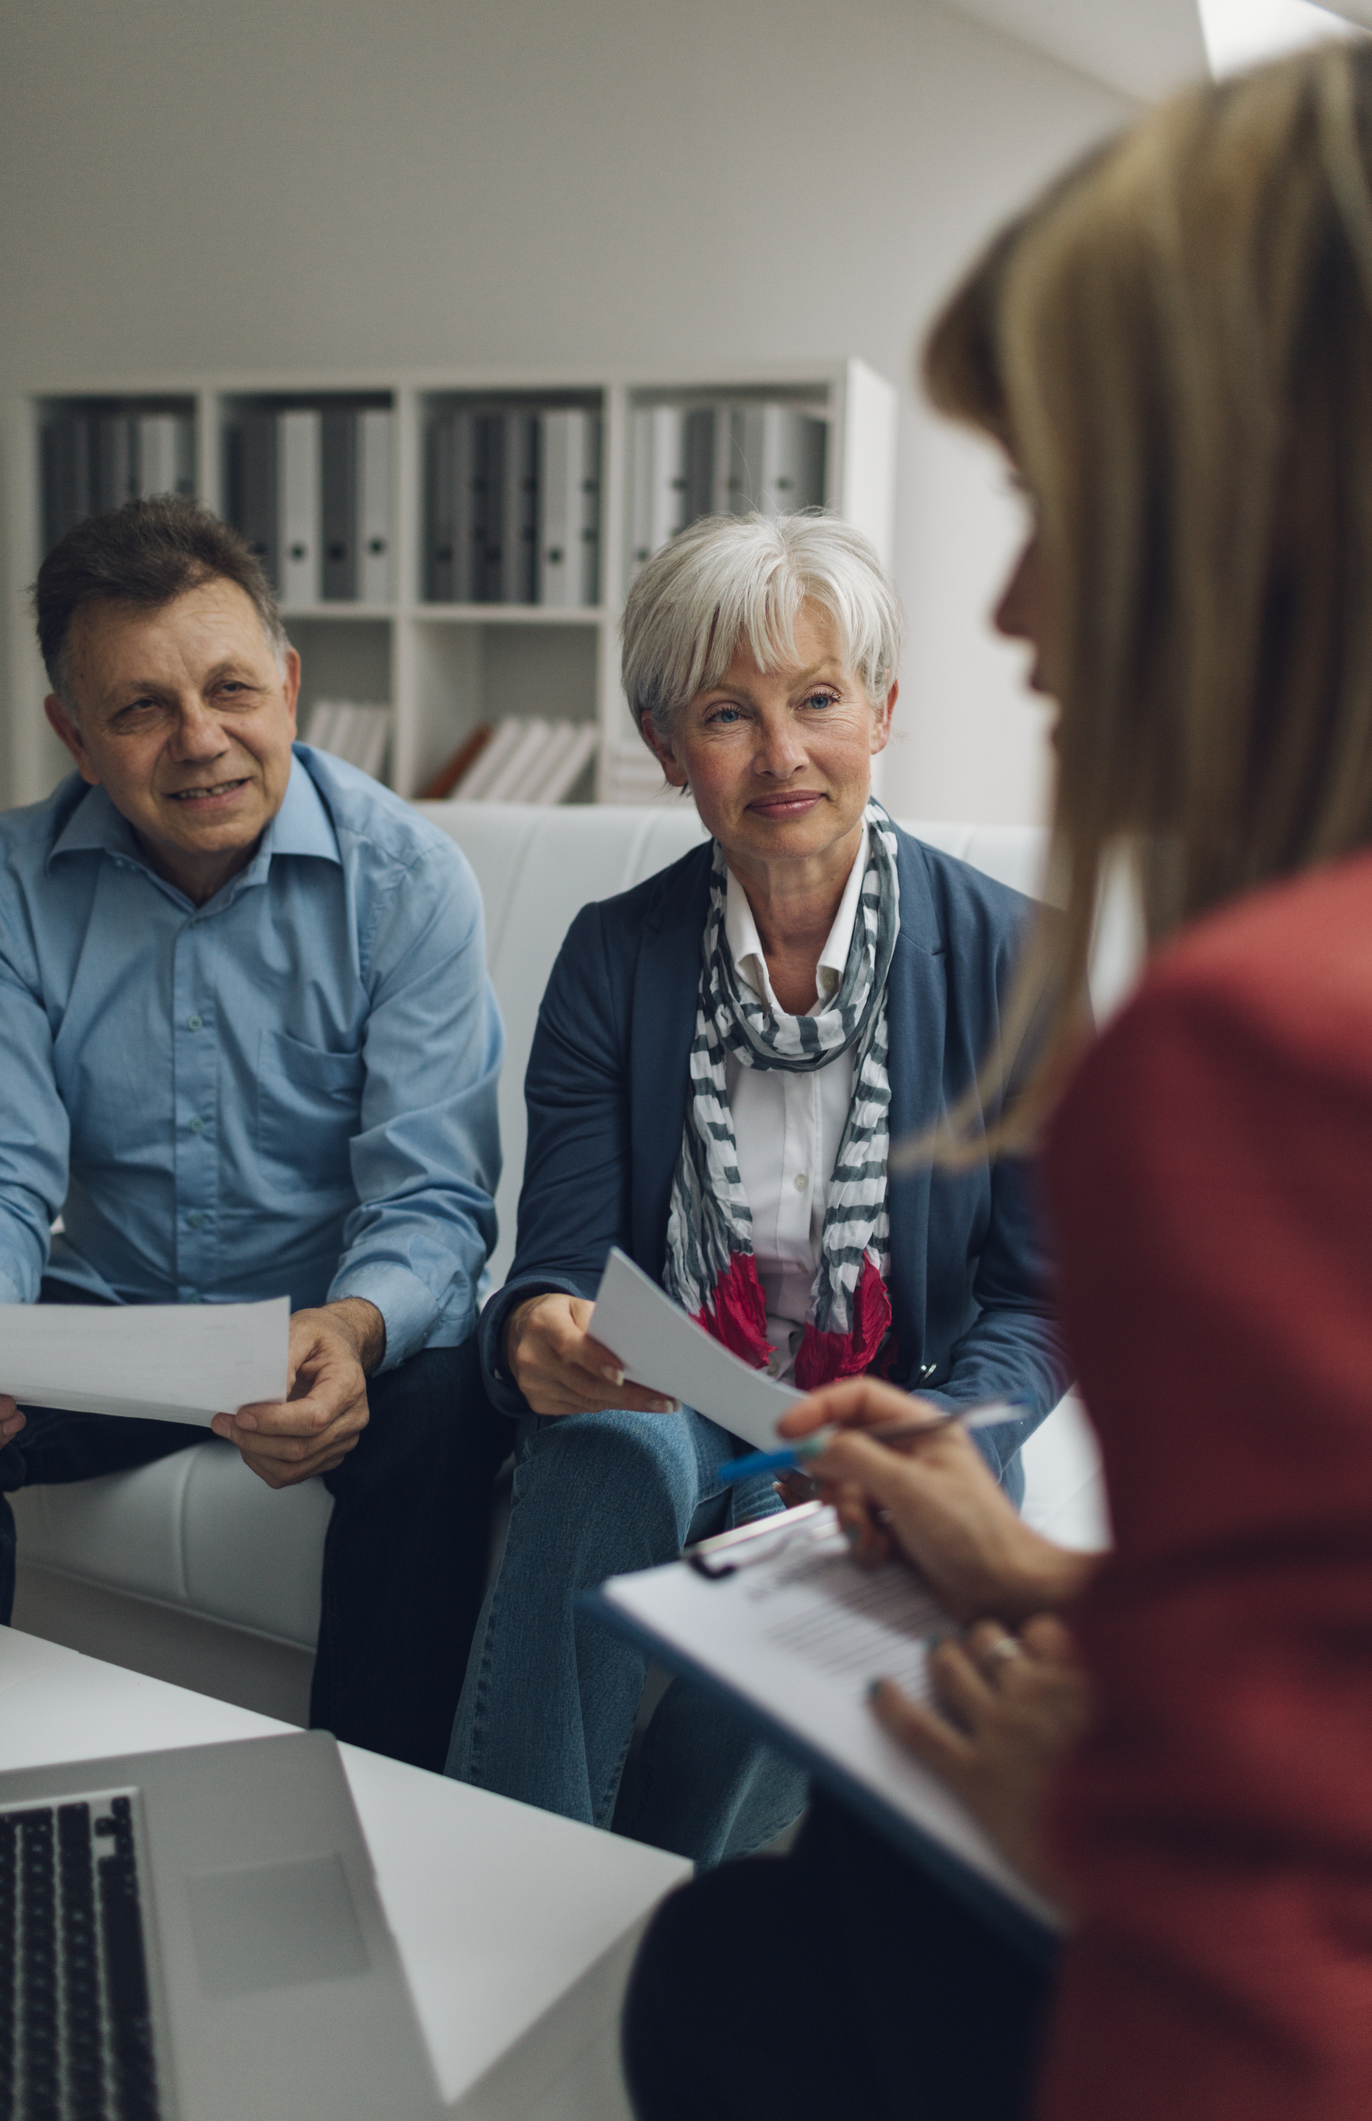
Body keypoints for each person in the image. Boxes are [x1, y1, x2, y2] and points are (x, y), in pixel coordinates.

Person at [623, 40, 1372, 2121]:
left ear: (1265, 492)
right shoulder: (624, 956)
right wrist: (1050, 1579)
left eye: (1053, 497)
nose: (1013, 606)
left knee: (745, 1960)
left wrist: (1119, 1835)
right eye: (722, 708)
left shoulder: (1250, 1039)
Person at [446, 510, 1069, 1866]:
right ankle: (506, 1883)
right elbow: (553, 1263)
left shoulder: (1019, 961)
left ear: (882, 712)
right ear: (669, 749)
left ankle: (664, 1903)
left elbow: (1037, 1300)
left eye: (818, 700)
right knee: (603, 1447)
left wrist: (944, 1434)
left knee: (868, 1535)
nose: (781, 754)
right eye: (728, 713)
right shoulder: (613, 954)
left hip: (891, 1405)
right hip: (675, 1396)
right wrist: (537, 1329)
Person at [0, 495, 511, 1773]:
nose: (201, 742)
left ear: (290, 686)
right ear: (75, 736)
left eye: (230, 690)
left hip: (322, 1325)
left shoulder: (408, 880)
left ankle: (374, 1810)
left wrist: (357, 1326)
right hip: (108, 1322)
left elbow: (430, 1202)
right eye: (142, 707)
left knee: (437, 1405)